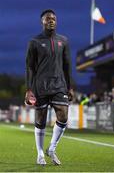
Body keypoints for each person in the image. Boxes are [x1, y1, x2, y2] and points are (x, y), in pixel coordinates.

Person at [25, 9, 73, 166]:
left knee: (63, 117)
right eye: (48, 19)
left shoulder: (63, 41)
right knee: (40, 120)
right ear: (42, 22)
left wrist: (70, 86)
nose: (51, 20)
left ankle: (51, 149)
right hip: (41, 86)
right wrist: (29, 89)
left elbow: (67, 65)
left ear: (56, 21)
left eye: (53, 18)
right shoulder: (34, 42)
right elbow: (30, 67)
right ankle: (40, 154)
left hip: (59, 85)